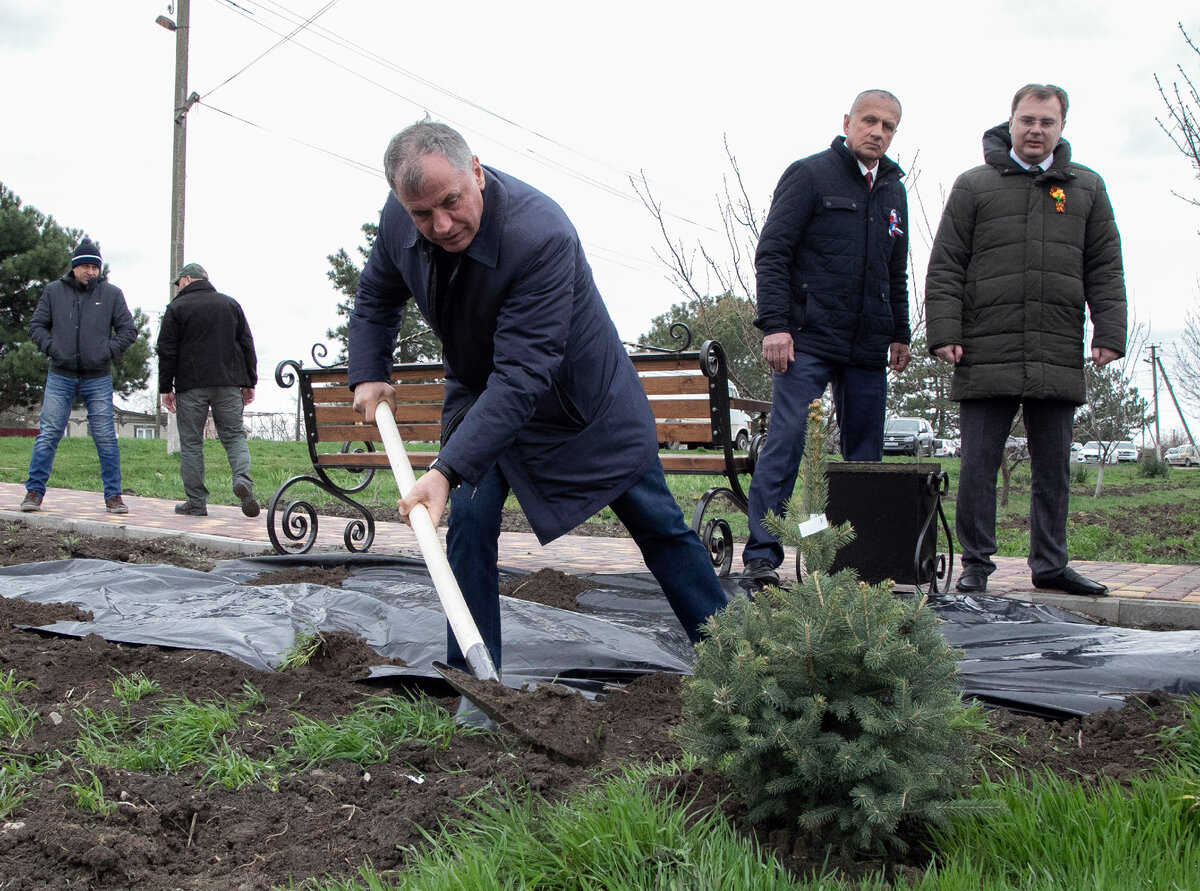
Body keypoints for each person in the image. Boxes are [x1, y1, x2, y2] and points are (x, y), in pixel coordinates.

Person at [349, 120, 728, 684]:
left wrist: (446, 469)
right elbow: (377, 294)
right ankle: (477, 685)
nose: (442, 225)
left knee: (658, 524)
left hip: (580, 403)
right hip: (484, 394)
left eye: (451, 203)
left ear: (476, 171)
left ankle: (739, 664)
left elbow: (524, 377)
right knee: (469, 524)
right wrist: (369, 371)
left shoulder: (539, 234)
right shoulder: (402, 217)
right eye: (423, 215)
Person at [926, 83, 1127, 597]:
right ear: (1011, 122)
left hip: (1055, 348)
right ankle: (976, 565)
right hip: (984, 347)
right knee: (977, 467)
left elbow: (1105, 266)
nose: (1036, 130)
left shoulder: (1087, 187)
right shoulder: (974, 185)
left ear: (1061, 128)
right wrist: (945, 331)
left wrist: (1109, 331)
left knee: (1055, 469)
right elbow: (946, 264)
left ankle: (1051, 565)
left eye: (1047, 122)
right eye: (1028, 120)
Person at [741, 90, 912, 590]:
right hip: (807, 340)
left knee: (865, 456)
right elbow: (772, 253)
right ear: (847, 122)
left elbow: (895, 270)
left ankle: (853, 565)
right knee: (788, 441)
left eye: (889, 126)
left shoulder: (894, 191)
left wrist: (900, 332)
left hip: (866, 347)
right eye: (870, 121)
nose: (878, 132)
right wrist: (775, 325)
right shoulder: (810, 174)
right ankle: (763, 556)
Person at [21, 238, 137, 515]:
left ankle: (114, 496)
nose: (91, 272)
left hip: (97, 376)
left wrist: (105, 352)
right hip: (60, 374)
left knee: (106, 437)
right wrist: (52, 348)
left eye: (95, 267)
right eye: (85, 266)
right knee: (48, 434)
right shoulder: (53, 292)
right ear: (74, 267)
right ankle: (33, 493)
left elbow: (128, 330)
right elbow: (36, 326)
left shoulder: (111, 294)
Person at [157, 263, 260, 518]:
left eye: (178, 283)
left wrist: (165, 388)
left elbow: (167, 351)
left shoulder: (176, 308)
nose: (176, 288)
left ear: (188, 279)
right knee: (235, 436)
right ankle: (243, 481)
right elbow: (247, 344)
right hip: (228, 384)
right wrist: (249, 381)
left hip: (190, 386)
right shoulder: (229, 304)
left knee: (191, 443)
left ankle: (196, 502)